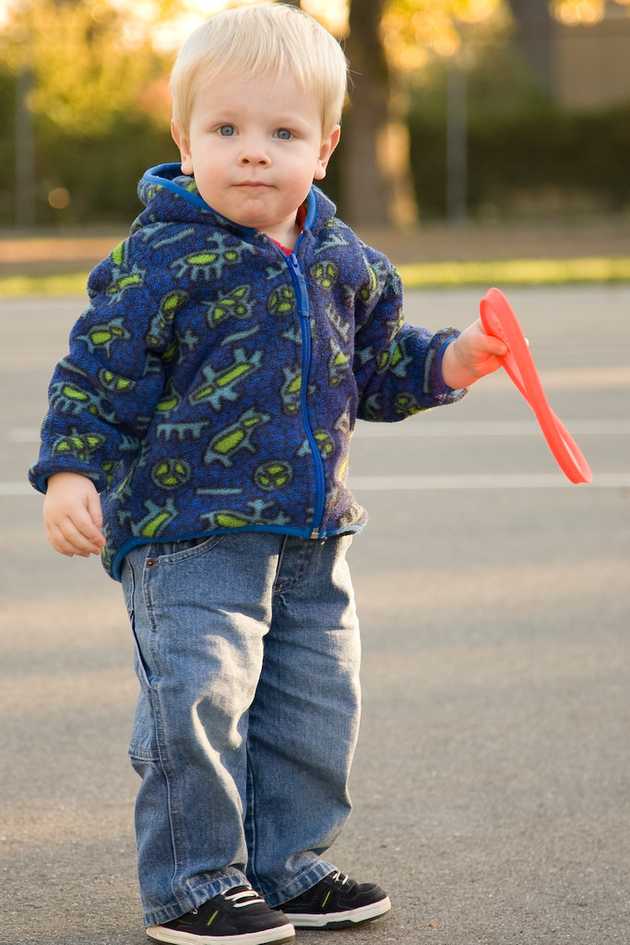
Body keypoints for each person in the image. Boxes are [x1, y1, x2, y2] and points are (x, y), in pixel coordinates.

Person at [27, 3, 508, 943]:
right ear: (184, 137)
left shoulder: (341, 259)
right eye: (226, 130)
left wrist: (455, 359)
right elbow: (95, 378)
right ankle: (193, 878)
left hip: (312, 532)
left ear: (324, 147)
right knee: (198, 700)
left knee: (315, 704)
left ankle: (285, 863)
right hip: (187, 536)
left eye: (281, 133)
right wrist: (71, 474)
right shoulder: (159, 259)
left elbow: (375, 368)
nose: (253, 153)